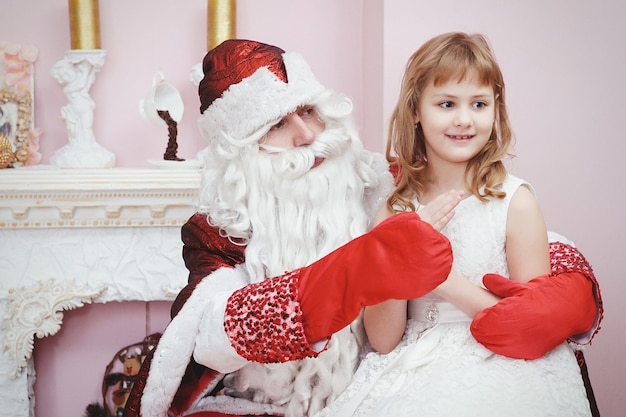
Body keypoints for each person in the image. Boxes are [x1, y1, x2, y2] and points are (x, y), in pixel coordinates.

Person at [123, 39, 602, 417]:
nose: (307, 136)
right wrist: (366, 269)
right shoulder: (217, 231)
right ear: (239, 152)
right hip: (307, 391)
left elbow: (496, 230)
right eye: (275, 125)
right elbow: (212, 329)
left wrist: (570, 287)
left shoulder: (370, 178)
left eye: (309, 111)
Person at [315, 32, 600, 417]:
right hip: (413, 362)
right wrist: (397, 258)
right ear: (416, 110)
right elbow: (383, 340)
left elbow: (528, 327)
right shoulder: (394, 210)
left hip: (502, 362)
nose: (464, 120)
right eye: (446, 103)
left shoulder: (515, 202)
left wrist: (436, 276)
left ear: (495, 110)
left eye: (479, 104)